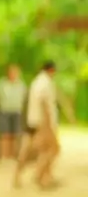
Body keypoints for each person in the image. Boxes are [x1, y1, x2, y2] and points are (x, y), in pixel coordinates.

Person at [13, 61, 60, 190]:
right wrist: (47, 125)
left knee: (28, 150)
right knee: (52, 149)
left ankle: (23, 175)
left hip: (31, 121)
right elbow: (44, 103)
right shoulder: (44, 83)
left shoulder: (36, 82)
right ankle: (39, 175)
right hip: (41, 122)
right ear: (51, 70)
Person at [0, 64, 27, 162]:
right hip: (4, 111)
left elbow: (24, 98)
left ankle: (13, 156)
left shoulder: (21, 85)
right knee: (5, 135)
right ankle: (4, 156)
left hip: (17, 111)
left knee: (15, 135)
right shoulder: (2, 84)